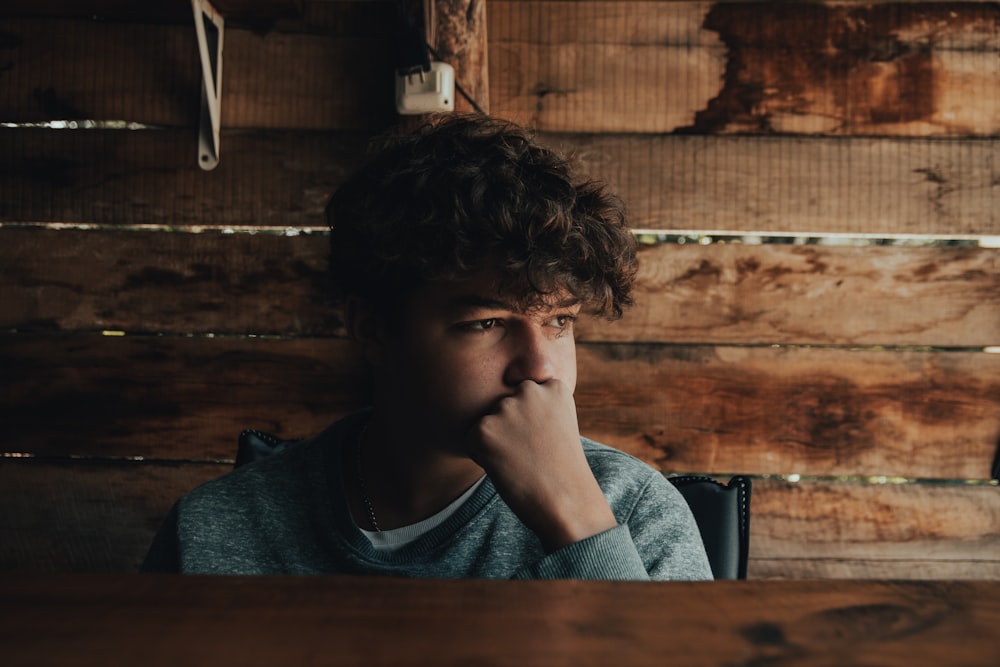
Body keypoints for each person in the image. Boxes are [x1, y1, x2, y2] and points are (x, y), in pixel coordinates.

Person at [142, 114, 712, 580]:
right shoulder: (217, 528)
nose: (541, 370)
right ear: (372, 329)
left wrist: (579, 525)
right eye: (486, 324)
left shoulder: (636, 513)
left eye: (560, 321)